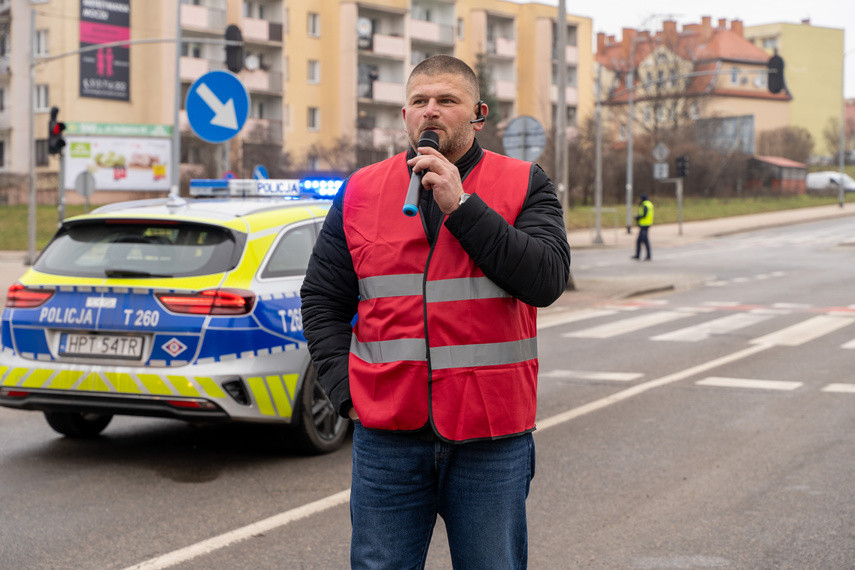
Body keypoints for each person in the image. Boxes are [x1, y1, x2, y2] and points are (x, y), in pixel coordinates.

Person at [300, 55, 571, 569]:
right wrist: (347, 394)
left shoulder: (523, 182)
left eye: (447, 101)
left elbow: (546, 280)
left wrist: (463, 206)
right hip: (388, 436)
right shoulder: (359, 191)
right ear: (404, 115)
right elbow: (321, 300)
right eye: (420, 102)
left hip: (490, 435)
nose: (431, 112)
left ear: (478, 115)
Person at [632, 193, 654, 260]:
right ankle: (638, 255)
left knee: (645, 240)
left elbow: (644, 214)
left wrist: (638, 217)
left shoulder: (645, 205)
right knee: (639, 240)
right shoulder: (649, 204)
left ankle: (648, 255)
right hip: (646, 224)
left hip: (644, 225)